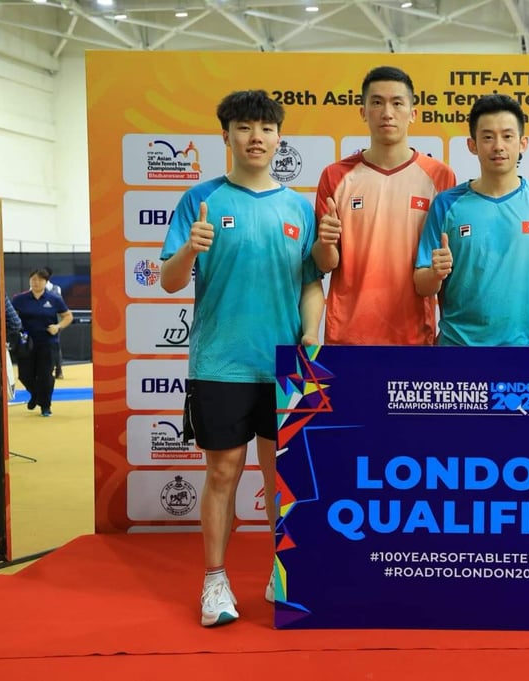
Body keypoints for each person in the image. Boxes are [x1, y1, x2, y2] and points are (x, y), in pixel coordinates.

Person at [160, 89, 324, 628]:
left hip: (284, 364)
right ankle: (214, 581)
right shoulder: (200, 201)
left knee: (282, 477)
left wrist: (312, 332)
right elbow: (169, 280)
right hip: (222, 363)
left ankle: (280, 573)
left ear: (279, 137)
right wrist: (191, 248)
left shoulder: (299, 207)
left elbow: (311, 283)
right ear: (225, 135)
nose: (257, 137)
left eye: (266, 128)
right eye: (245, 127)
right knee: (223, 471)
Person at [413, 94, 529, 351]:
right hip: (459, 349)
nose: (498, 146)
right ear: (472, 145)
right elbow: (422, 284)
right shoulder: (446, 204)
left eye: (507, 136)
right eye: (488, 137)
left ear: (523, 143)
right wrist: (435, 273)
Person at [314, 66, 456, 345]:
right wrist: (326, 242)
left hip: (415, 339)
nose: (387, 112)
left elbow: (444, 267)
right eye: (377, 102)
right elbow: (324, 263)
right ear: (363, 111)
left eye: (397, 103)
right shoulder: (335, 175)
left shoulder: (441, 177)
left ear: (413, 113)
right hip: (348, 338)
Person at [11, 269, 72, 417]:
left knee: (45, 375)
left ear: (46, 282)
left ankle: (45, 406)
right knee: (24, 375)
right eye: (33, 279)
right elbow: (11, 317)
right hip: (26, 342)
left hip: (47, 342)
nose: (36, 282)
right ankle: (36, 395)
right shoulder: (19, 299)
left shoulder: (54, 298)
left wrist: (58, 327)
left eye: (39, 280)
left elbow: (68, 316)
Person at [41, 268, 65, 380]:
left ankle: (59, 370)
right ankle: (45, 371)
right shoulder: (34, 288)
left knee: (56, 345)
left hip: (54, 322)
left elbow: (60, 305)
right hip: (40, 321)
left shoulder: (56, 289)